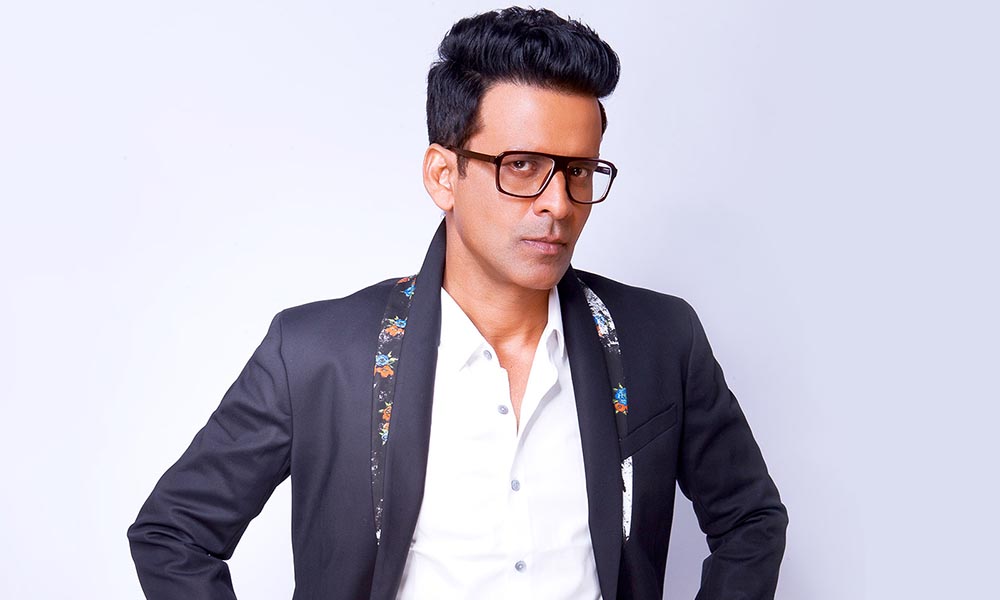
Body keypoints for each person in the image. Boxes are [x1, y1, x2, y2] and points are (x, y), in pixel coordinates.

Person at [128, 7, 787, 600]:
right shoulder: (316, 353)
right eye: (522, 166)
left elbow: (750, 520)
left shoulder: (660, 338)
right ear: (444, 176)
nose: (558, 204)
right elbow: (174, 533)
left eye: (578, 171)